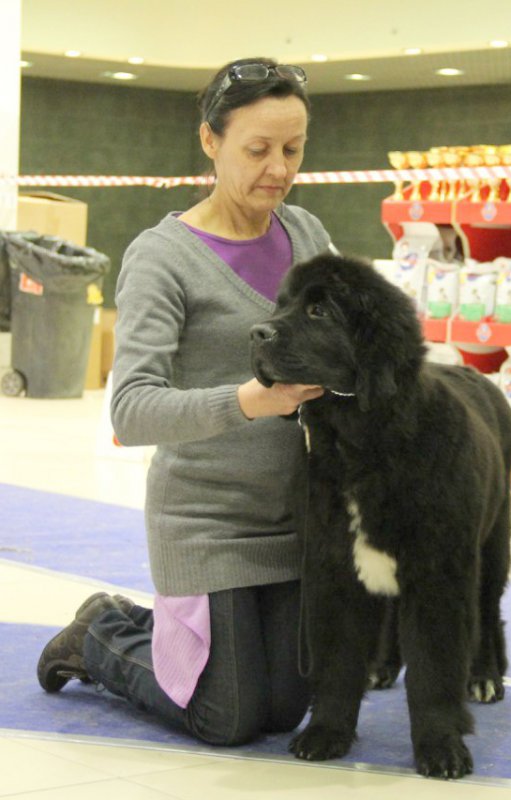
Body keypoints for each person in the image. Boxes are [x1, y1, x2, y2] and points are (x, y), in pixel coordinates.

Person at [37, 57, 335, 746]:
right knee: (227, 716)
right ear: (211, 142)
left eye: (293, 150)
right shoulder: (161, 257)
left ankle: (166, 634)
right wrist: (253, 401)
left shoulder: (310, 236)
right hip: (204, 522)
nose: (279, 169)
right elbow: (132, 409)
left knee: (286, 710)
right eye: (257, 149)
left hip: (292, 515)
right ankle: (99, 635)